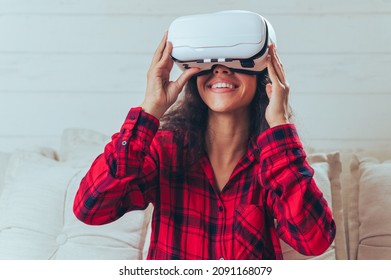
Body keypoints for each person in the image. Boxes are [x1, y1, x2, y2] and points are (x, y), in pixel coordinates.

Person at [73, 31, 336, 260]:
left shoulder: (273, 161)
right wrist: (150, 109)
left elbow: (314, 241)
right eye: (210, 63)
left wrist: (279, 121)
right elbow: (91, 208)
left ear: (263, 76)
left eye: (236, 60)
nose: (220, 69)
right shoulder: (165, 150)